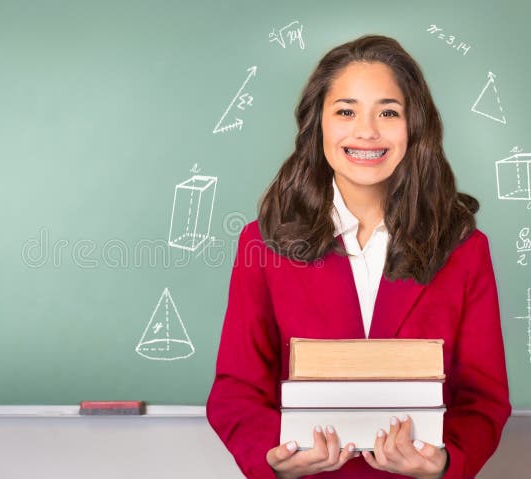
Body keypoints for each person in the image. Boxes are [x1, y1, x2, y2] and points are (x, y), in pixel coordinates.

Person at [206, 35, 511, 479]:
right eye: (345, 111)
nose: (366, 131)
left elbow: (484, 398)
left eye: (388, 112)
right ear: (319, 125)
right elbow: (236, 390)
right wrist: (274, 456)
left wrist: (446, 462)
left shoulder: (463, 248)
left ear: (414, 126)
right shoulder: (263, 242)